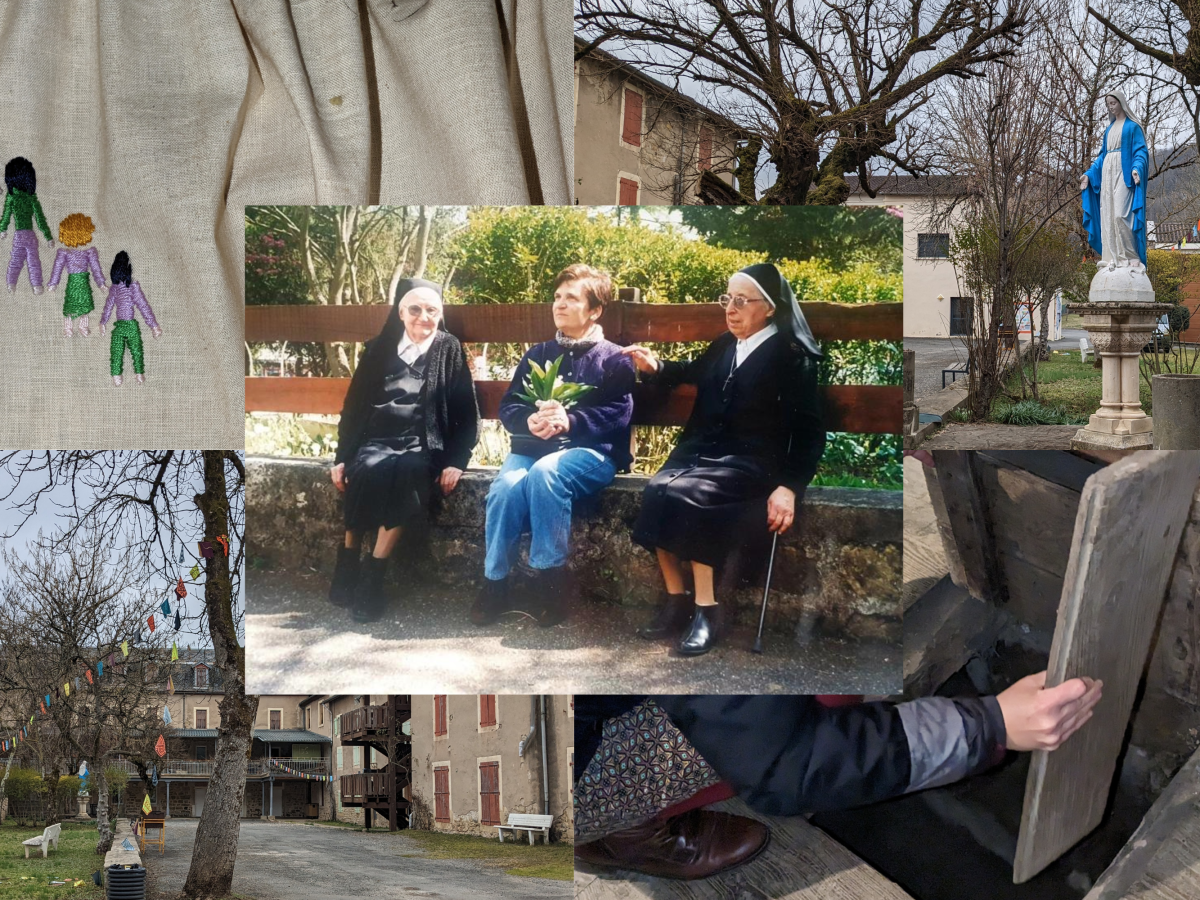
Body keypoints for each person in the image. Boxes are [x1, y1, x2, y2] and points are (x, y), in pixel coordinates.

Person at [575, 674, 1104, 879]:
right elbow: (788, 763)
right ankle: (625, 835)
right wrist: (990, 725)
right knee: (824, 694)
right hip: (566, 780)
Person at [622, 263, 824, 656]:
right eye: (726, 299)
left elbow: (810, 430)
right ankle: (676, 601)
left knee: (690, 496)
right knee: (658, 489)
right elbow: (692, 370)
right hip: (702, 452)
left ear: (768, 308)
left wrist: (789, 487)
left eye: (741, 301)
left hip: (751, 462)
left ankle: (706, 611)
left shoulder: (792, 356)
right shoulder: (724, 345)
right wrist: (656, 366)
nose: (730, 309)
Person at [470, 264, 635, 628]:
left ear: (594, 310)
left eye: (571, 298)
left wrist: (571, 421)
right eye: (557, 297)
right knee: (505, 489)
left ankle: (550, 582)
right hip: (532, 449)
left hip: (592, 453)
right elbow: (510, 404)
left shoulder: (614, 358)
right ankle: (494, 582)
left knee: (547, 474)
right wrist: (526, 419)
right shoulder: (538, 353)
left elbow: (618, 414)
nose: (559, 304)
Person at [329, 278, 480, 624]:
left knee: (410, 472)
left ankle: (373, 576)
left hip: (420, 442)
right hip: (376, 438)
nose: (423, 317)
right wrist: (342, 456)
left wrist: (458, 460)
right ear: (400, 312)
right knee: (365, 469)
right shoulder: (379, 347)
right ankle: (349, 559)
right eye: (415, 309)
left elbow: (466, 412)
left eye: (432, 310)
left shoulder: (448, 348)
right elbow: (353, 408)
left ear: (439, 315)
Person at [1080, 89, 1148, 269]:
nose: (1111, 107)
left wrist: (1137, 169)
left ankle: (1130, 256)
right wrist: (1089, 174)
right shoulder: (1109, 130)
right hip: (1107, 176)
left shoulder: (1133, 127)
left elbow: (1141, 151)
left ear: (1121, 102)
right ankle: (1112, 257)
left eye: (1113, 103)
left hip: (1124, 174)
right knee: (1108, 215)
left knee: (1121, 214)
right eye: (1108, 104)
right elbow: (1102, 157)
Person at [99, 251, 162, 385]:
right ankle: (135, 374)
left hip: (122, 326)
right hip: (127, 326)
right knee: (133, 350)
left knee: (125, 350)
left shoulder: (126, 288)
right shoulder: (122, 289)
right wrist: (153, 326)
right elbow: (143, 307)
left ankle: (123, 375)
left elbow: (109, 306)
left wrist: (103, 322)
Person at [0, 157, 54, 295]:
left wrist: (3, 229)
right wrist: (48, 236)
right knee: (33, 261)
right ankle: (37, 286)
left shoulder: (11, 198)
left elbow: (6, 215)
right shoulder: (31, 198)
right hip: (30, 237)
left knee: (16, 260)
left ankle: (11, 283)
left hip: (19, 236)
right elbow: (40, 218)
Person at [48, 213, 107, 337]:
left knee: (84, 305)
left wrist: (101, 283)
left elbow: (96, 269)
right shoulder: (65, 253)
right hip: (73, 283)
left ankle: (82, 326)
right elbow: (57, 268)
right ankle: (68, 328)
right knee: (70, 305)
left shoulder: (89, 253)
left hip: (83, 282)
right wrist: (53, 283)